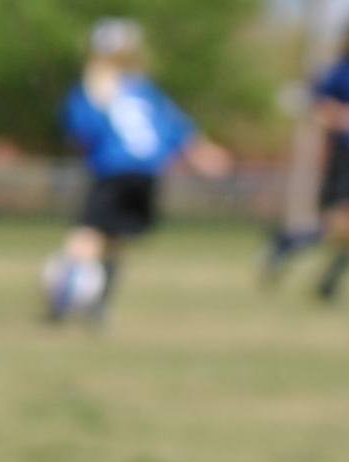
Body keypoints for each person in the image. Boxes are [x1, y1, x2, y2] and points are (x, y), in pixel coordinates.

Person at [42, 17, 232, 328]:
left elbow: (79, 132)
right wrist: (204, 155)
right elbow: (177, 130)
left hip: (114, 170)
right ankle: (99, 307)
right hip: (146, 173)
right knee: (117, 241)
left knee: (87, 236)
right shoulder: (143, 90)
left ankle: (64, 299)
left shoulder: (92, 88)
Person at [259, 11, 349, 302]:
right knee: (340, 222)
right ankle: (287, 244)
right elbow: (316, 107)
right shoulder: (343, 71)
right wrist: (342, 117)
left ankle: (327, 278)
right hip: (347, 156)